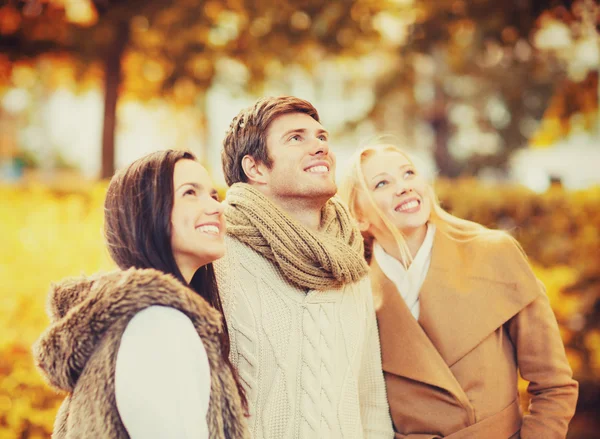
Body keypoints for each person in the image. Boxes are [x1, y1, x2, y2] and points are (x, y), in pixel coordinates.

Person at [339, 143, 579, 439]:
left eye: (409, 173)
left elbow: (554, 386)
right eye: (382, 183)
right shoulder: (354, 296)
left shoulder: (493, 254)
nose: (403, 187)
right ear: (359, 216)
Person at [33, 150, 249, 439]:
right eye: (190, 193)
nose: (218, 207)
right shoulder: (159, 325)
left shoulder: (138, 320)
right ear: (146, 213)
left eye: (212, 195)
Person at [215, 96, 394, 438]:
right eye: (297, 138)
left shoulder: (350, 261)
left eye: (322, 137)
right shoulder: (217, 256)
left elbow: (370, 400)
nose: (320, 147)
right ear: (255, 168)